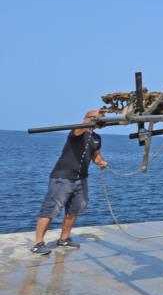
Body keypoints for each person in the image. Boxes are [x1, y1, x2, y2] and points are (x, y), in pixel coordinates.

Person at [31, 109, 108, 255]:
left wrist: (102, 162)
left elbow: (96, 157)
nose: (96, 121)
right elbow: (81, 127)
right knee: (50, 209)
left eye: (98, 119)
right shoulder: (76, 132)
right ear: (86, 118)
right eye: (93, 118)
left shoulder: (97, 138)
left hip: (81, 179)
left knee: (75, 209)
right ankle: (38, 243)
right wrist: (92, 117)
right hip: (62, 178)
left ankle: (64, 239)